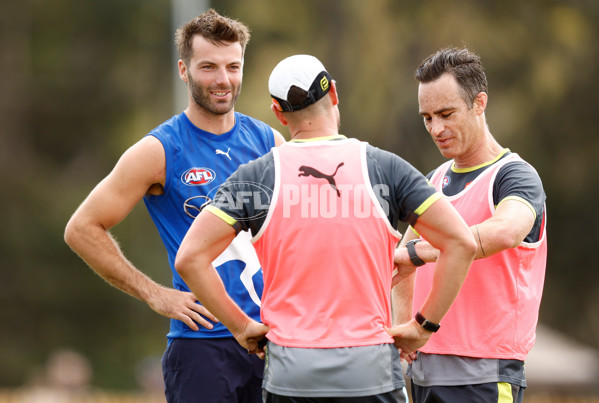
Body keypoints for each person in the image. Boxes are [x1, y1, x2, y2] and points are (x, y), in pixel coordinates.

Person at [175, 54, 476, 403]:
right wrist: (423, 326)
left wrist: (241, 326)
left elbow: (190, 258)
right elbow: (461, 242)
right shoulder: (385, 167)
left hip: (290, 372)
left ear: (277, 111)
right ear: (333, 93)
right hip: (371, 371)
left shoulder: (255, 177)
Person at [64, 9, 285, 403]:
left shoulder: (269, 142)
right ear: (183, 70)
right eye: (208, 67)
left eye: (233, 66)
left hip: (275, 339)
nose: (223, 79)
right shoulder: (159, 150)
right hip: (203, 346)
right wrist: (154, 293)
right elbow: (82, 228)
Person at [391, 47, 547, 403]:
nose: (436, 128)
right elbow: (403, 258)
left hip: (486, 372)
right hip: (427, 368)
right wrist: (407, 331)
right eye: (427, 117)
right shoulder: (432, 181)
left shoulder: (515, 177)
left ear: (479, 103)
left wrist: (421, 252)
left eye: (446, 114)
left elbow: (504, 232)